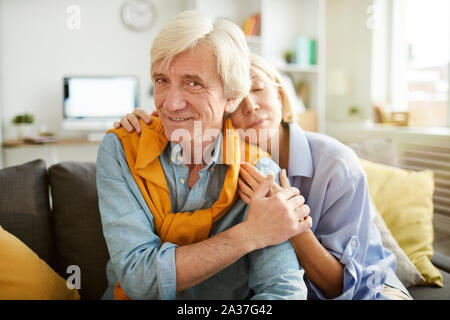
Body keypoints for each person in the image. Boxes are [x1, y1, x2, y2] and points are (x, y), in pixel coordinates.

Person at [116, 53, 412, 300]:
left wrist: (288, 224)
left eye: (257, 89)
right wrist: (143, 125)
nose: (250, 106)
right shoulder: (222, 167)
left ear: (280, 96)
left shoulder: (336, 165)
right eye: (236, 98)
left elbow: (342, 286)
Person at [97, 10, 311, 300]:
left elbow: (283, 291)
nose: (170, 104)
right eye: (161, 80)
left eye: (193, 83)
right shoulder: (121, 149)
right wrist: (250, 234)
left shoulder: (259, 170)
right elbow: (139, 279)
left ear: (232, 97)